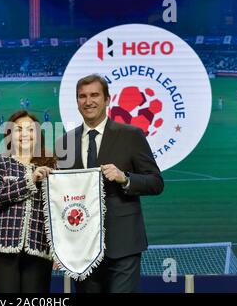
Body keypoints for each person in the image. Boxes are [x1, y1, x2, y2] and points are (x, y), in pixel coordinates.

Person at [56, 74, 164, 293]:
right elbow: (61, 197)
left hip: (123, 242)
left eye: (95, 95)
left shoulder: (131, 135)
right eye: (82, 96)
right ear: (77, 102)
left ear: (107, 99)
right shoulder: (65, 142)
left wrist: (125, 178)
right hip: (82, 248)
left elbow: (156, 182)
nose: (88, 101)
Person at [0, 110, 56, 293]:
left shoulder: (51, 165)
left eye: (30, 130)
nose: (24, 134)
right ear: (9, 135)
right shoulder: (1, 161)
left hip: (39, 248)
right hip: (3, 247)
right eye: (18, 130)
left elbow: (56, 211)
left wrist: (58, 249)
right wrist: (30, 180)